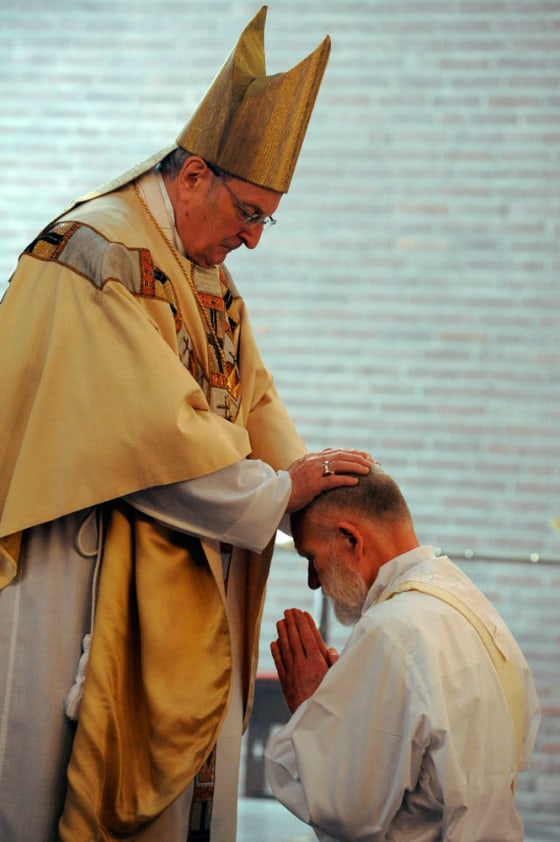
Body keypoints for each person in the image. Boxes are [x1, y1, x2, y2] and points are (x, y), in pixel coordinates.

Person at [0, 8, 374, 841]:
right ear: (195, 173)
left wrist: (310, 495)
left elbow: (254, 398)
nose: (252, 239)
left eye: (266, 220)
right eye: (249, 212)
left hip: (185, 564)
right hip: (80, 572)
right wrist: (278, 495)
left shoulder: (203, 269)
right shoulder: (96, 252)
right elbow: (154, 436)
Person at [265, 467, 541, 841]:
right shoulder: (470, 605)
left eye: (311, 557)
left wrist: (310, 706)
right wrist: (346, 712)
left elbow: (347, 811)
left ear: (350, 539)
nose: (314, 580)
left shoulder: (391, 630)